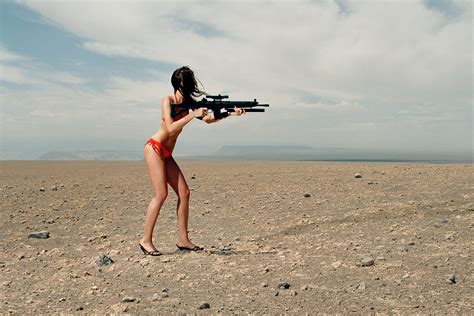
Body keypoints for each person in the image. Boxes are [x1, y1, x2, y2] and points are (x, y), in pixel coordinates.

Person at [139, 66, 245, 256]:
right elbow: (170, 129)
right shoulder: (168, 100)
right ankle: (145, 240)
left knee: (185, 193)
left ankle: (183, 240)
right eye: (186, 84)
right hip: (154, 148)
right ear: (179, 84)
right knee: (161, 194)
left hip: (166, 154)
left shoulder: (190, 104)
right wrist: (191, 114)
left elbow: (208, 120)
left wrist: (229, 113)